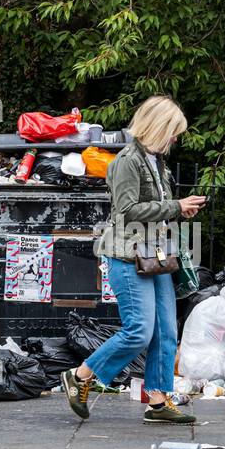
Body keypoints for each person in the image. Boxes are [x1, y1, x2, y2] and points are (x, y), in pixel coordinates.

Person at [62, 96, 207, 424]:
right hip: (127, 255)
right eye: (173, 131)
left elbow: (155, 209)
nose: (175, 139)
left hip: (155, 254)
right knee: (139, 331)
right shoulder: (128, 161)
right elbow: (127, 211)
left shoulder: (156, 161)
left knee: (166, 331)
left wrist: (179, 210)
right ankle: (81, 375)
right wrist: (175, 206)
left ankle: (158, 401)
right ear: (158, 127)